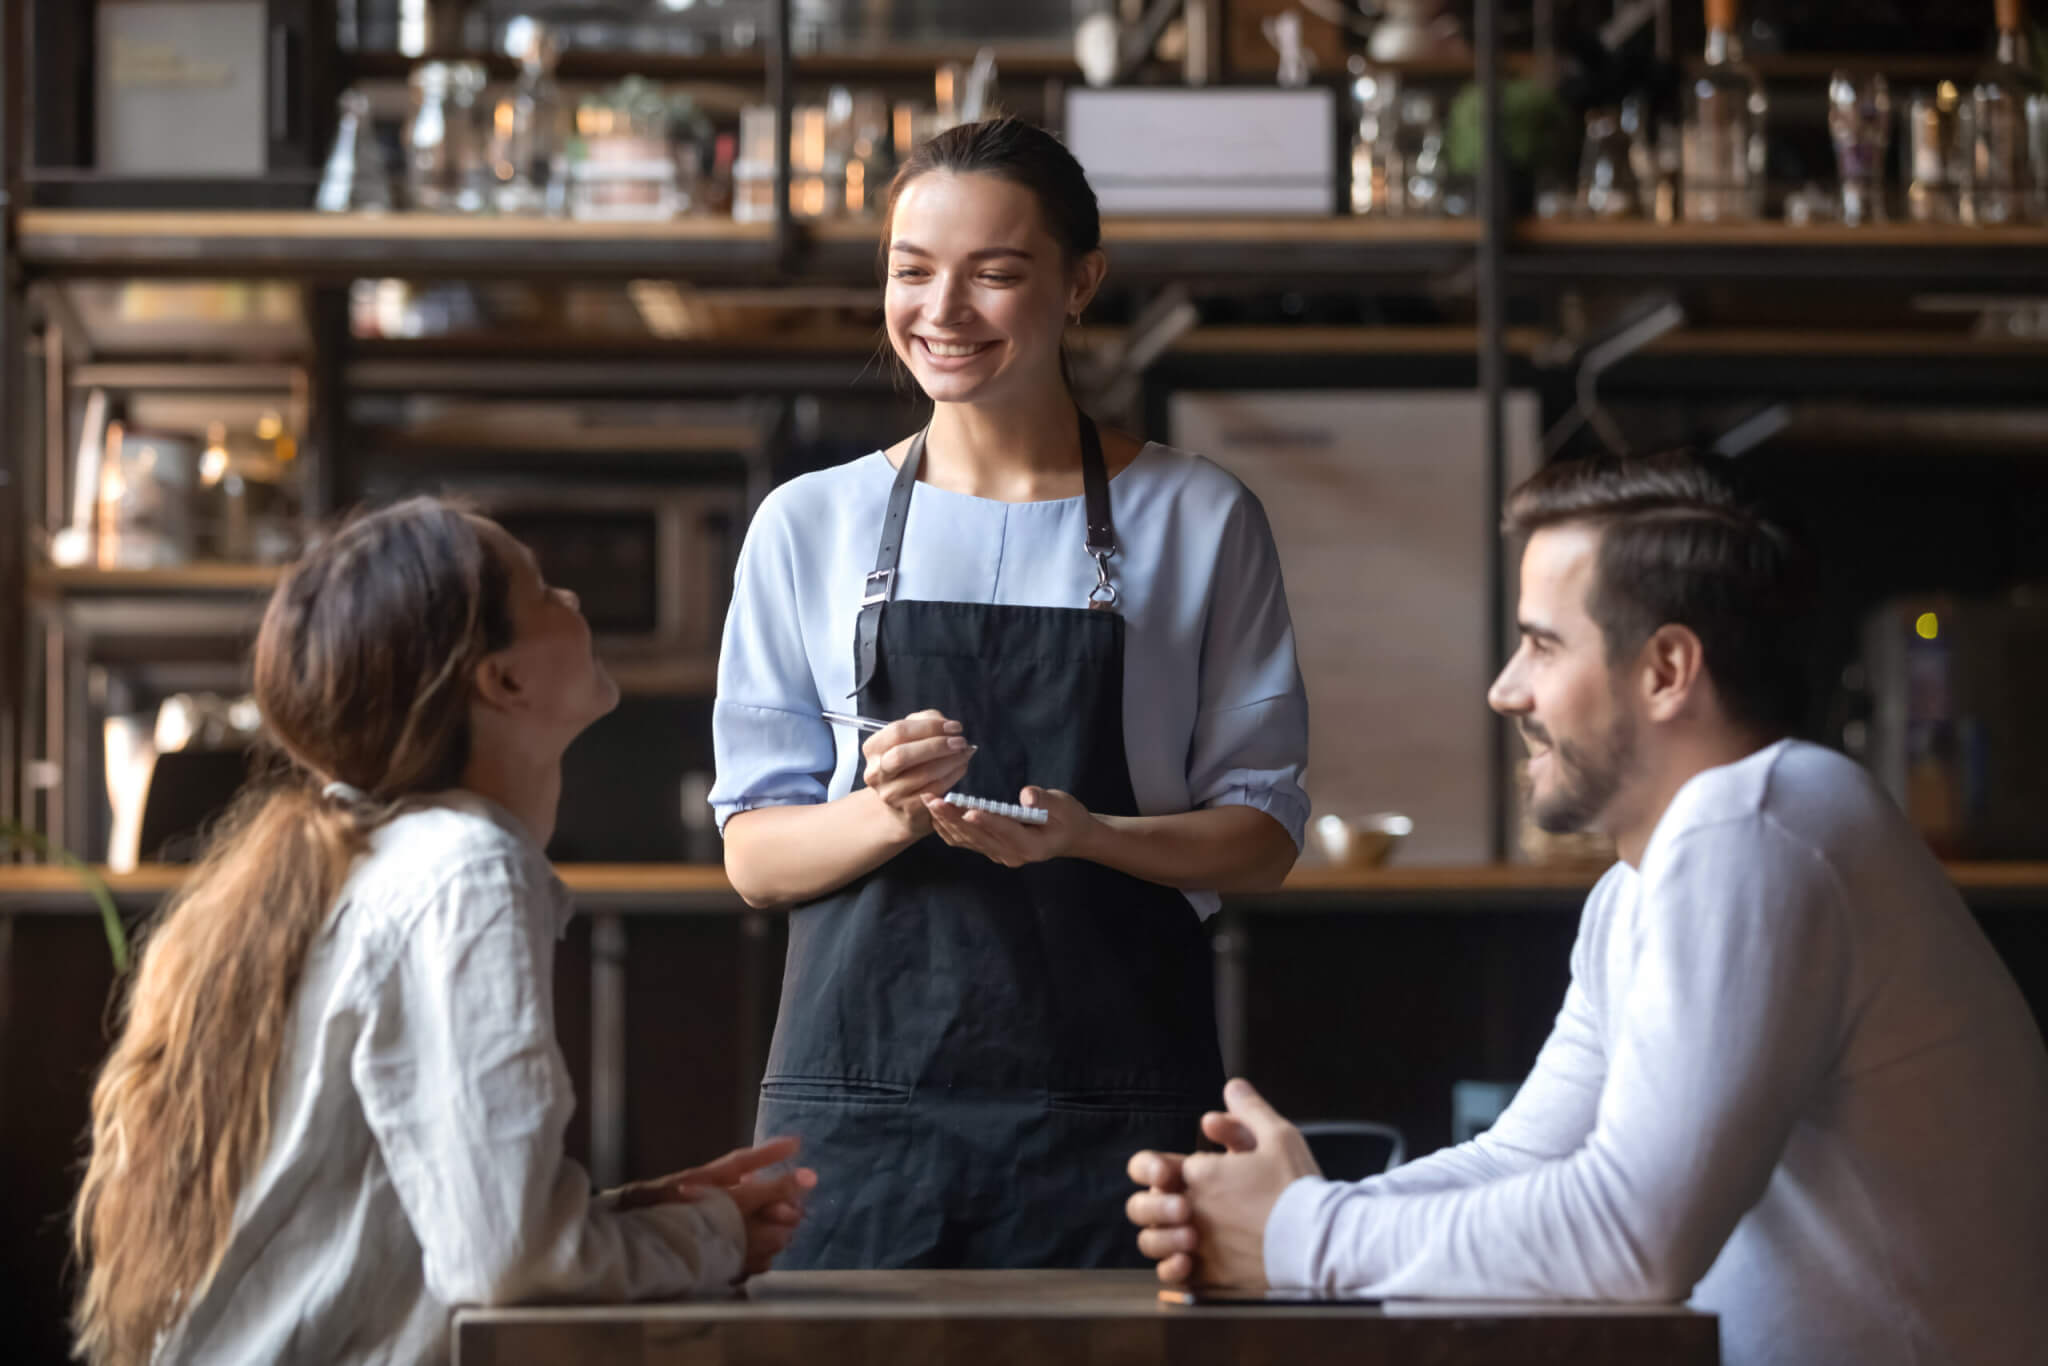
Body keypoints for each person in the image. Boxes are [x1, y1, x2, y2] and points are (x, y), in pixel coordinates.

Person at [1126, 452, 2048, 1365]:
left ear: (1666, 670)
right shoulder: (1644, 883)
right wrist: (1275, 1213)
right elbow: (1522, 1158)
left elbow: (1632, 1235)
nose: (1506, 689)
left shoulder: (1758, 824)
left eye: (1543, 644)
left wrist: (1299, 1237)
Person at [710, 116, 1309, 1269]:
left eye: (993, 274)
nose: (942, 311)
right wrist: (882, 811)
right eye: (910, 271)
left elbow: (1261, 834)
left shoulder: (1197, 516)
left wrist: (1091, 836)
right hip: (860, 1115)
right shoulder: (807, 524)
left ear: (1079, 282)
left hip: (1116, 1112)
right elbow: (752, 851)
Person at [72, 499, 815, 1366]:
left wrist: (632, 1214)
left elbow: (420, 1231)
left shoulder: (388, 858)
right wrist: (713, 1239)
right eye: (541, 592)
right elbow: (510, 1267)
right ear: (502, 681)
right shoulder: (467, 872)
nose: (572, 598)